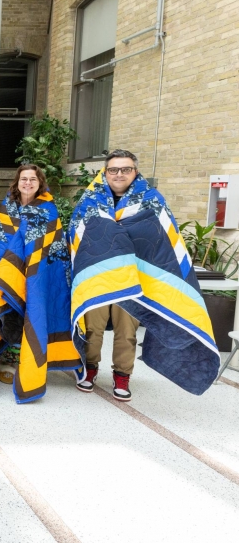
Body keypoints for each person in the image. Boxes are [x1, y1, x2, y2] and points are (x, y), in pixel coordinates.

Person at [70, 149, 219, 401]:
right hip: (98, 278)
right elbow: (77, 235)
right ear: (105, 173)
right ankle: (90, 368)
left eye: (125, 169)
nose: (119, 174)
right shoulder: (90, 201)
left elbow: (163, 241)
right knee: (92, 327)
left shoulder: (152, 201)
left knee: (126, 330)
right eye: (113, 170)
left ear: (135, 172)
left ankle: (122, 375)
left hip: (135, 280)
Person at [0, 165, 81, 403]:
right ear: (16, 182)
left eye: (32, 179)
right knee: (8, 310)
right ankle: (8, 359)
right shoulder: (5, 208)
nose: (27, 183)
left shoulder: (48, 210)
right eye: (23, 179)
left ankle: (28, 360)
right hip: (6, 274)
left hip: (38, 273)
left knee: (34, 311)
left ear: (40, 183)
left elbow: (55, 246)